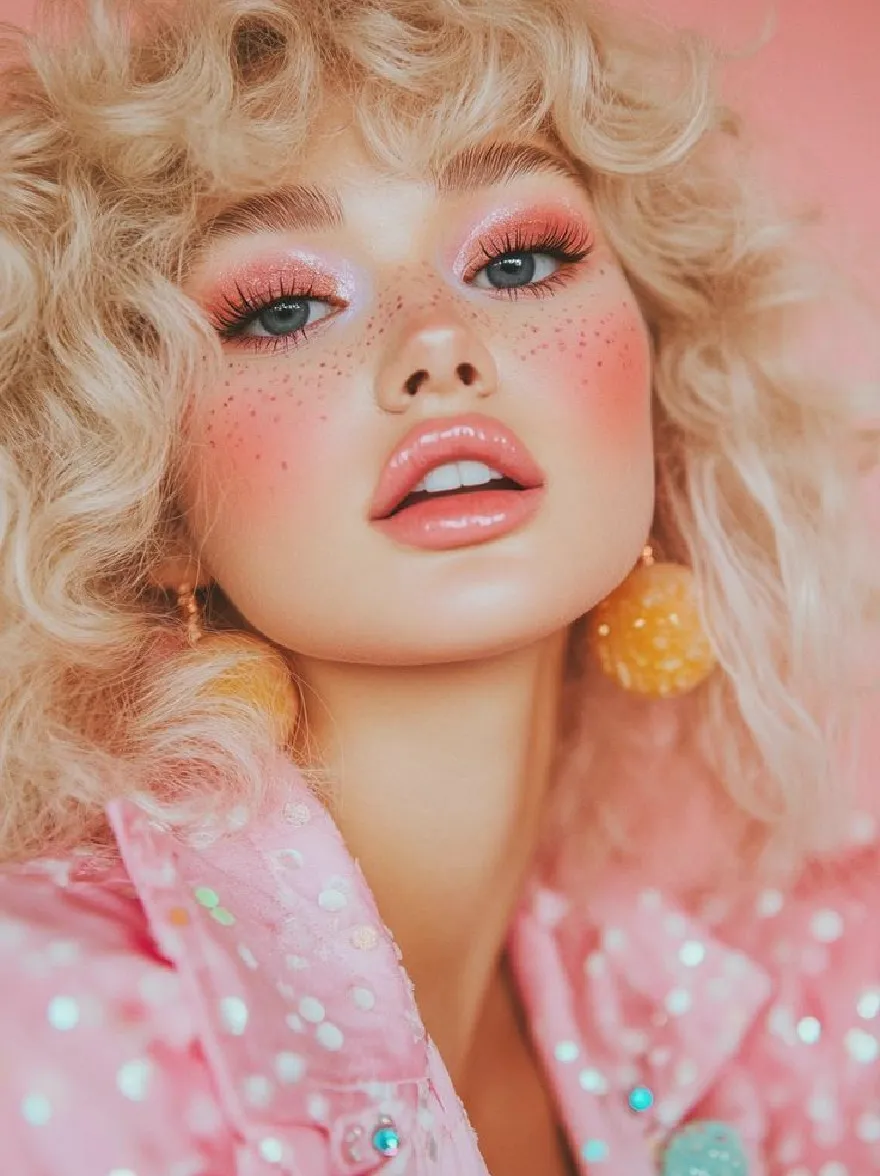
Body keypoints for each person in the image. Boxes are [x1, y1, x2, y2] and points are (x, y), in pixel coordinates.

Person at [0, 0, 877, 1172]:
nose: (437, 345)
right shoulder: (51, 1027)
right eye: (285, 309)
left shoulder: (781, 979)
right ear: (149, 502)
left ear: (666, 384)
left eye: (515, 261)